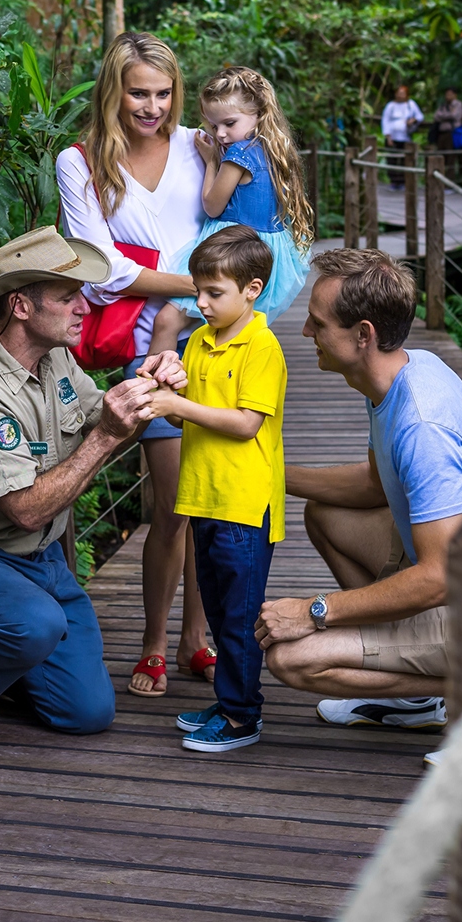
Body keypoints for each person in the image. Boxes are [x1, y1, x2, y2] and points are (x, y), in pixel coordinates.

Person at [0, 226, 177, 744]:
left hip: (40, 563)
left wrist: (150, 384)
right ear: (21, 307)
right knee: (35, 624)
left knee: (88, 714)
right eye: (68, 297)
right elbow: (26, 510)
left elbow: (105, 414)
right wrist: (106, 438)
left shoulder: (57, 360)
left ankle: (5, 661)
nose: (83, 310)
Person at [254, 248, 462, 731]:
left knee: (291, 657)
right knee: (325, 515)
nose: (304, 333)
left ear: (364, 335)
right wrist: (269, 473)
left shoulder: (422, 423)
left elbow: (438, 576)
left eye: (317, 324)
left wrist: (315, 612)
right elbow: (374, 484)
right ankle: (415, 688)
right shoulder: (400, 372)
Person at [55, 31, 215, 698]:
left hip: (221, 339)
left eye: (162, 92)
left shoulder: (197, 147)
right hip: (146, 351)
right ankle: (153, 638)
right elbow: (98, 272)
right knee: (174, 502)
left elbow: (234, 226)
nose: (151, 106)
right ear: (113, 91)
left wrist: (203, 291)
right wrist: (200, 284)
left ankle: (195, 639)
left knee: (216, 501)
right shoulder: (81, 161)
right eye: (137, 92)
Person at [140, 226, 287, 753]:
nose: (199, 303)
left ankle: (243, 717)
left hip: (245, 504)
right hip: (202, 496)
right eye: (198, 291)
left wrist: (178, 406)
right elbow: (193, 422)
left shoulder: (263, 347)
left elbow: (246, 423)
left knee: (240, 617)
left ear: (252, 289)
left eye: (213, 293)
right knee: (222, 612)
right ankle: (229, 701)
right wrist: (171, 389)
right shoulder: (200, 341)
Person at [149, 65, 313, 352]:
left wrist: (212, 160)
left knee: (166, 322)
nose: (221, 134)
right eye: (214, 126)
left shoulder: (238, 154)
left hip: (231, 251)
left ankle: (152, 393)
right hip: (264, 252)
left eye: (229, 123)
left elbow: (212, 206)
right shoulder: (274, 148)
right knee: (228, 332)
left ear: (259, 113)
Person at [380, 84, 423, 190]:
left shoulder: (411, 104)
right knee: (392, 159)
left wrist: (412, 120)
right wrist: (388, 136)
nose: (400, 95)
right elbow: (385, 120)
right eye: (399, 93)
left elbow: (420, 116)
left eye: (403, 93)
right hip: (393, 138)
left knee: (406, 159)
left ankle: (404, 182)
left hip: (405, 138)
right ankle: (394, 182)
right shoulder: (390, 106)